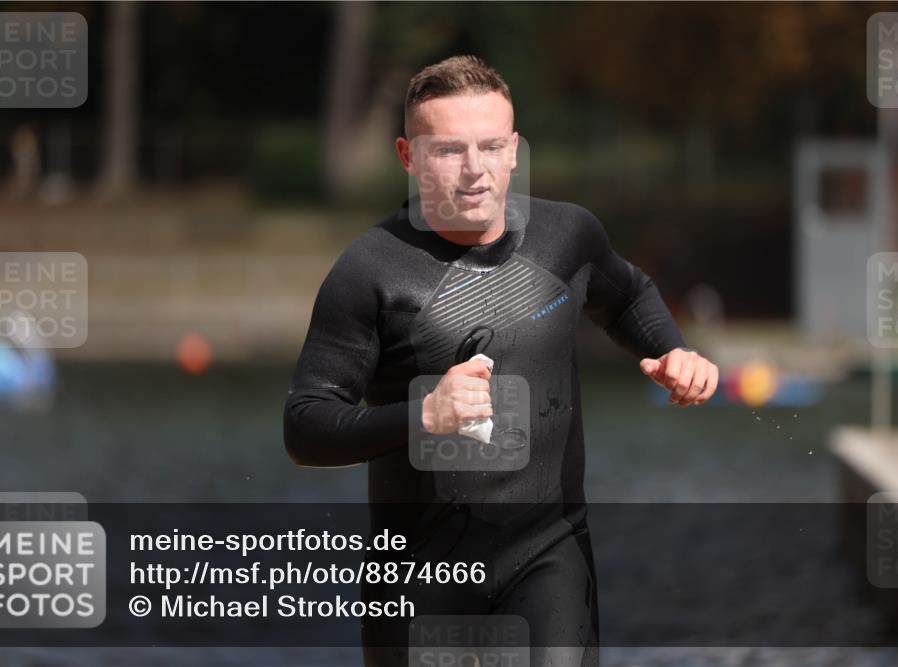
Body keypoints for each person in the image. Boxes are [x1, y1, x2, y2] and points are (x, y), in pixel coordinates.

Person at [283, 55, 718, 667]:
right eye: (448, 151)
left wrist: (671, 351)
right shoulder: (370, 272)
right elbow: (305, 426)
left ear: (515, 149)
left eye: (490, 146)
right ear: (408, 157)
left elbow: (629, 295)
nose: (474, 171)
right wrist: (421, 414)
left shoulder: (568, 237)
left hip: (550, 554)